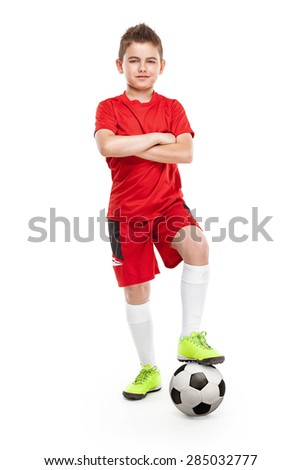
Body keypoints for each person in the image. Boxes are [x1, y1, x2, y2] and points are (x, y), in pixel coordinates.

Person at [94, 23, 224, 400]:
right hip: (126, 213)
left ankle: (189, 338)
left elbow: (185, 152)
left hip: (168, 205)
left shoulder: (172, 107)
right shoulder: (109, 107)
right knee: (136, 291)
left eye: (150, 61)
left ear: (162, 65)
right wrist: (155, 138)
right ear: (120, 65)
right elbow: (107, 147)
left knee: (197, 246)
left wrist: (129, 145)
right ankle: (149, 369)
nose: (142, 67)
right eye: (134, 60)